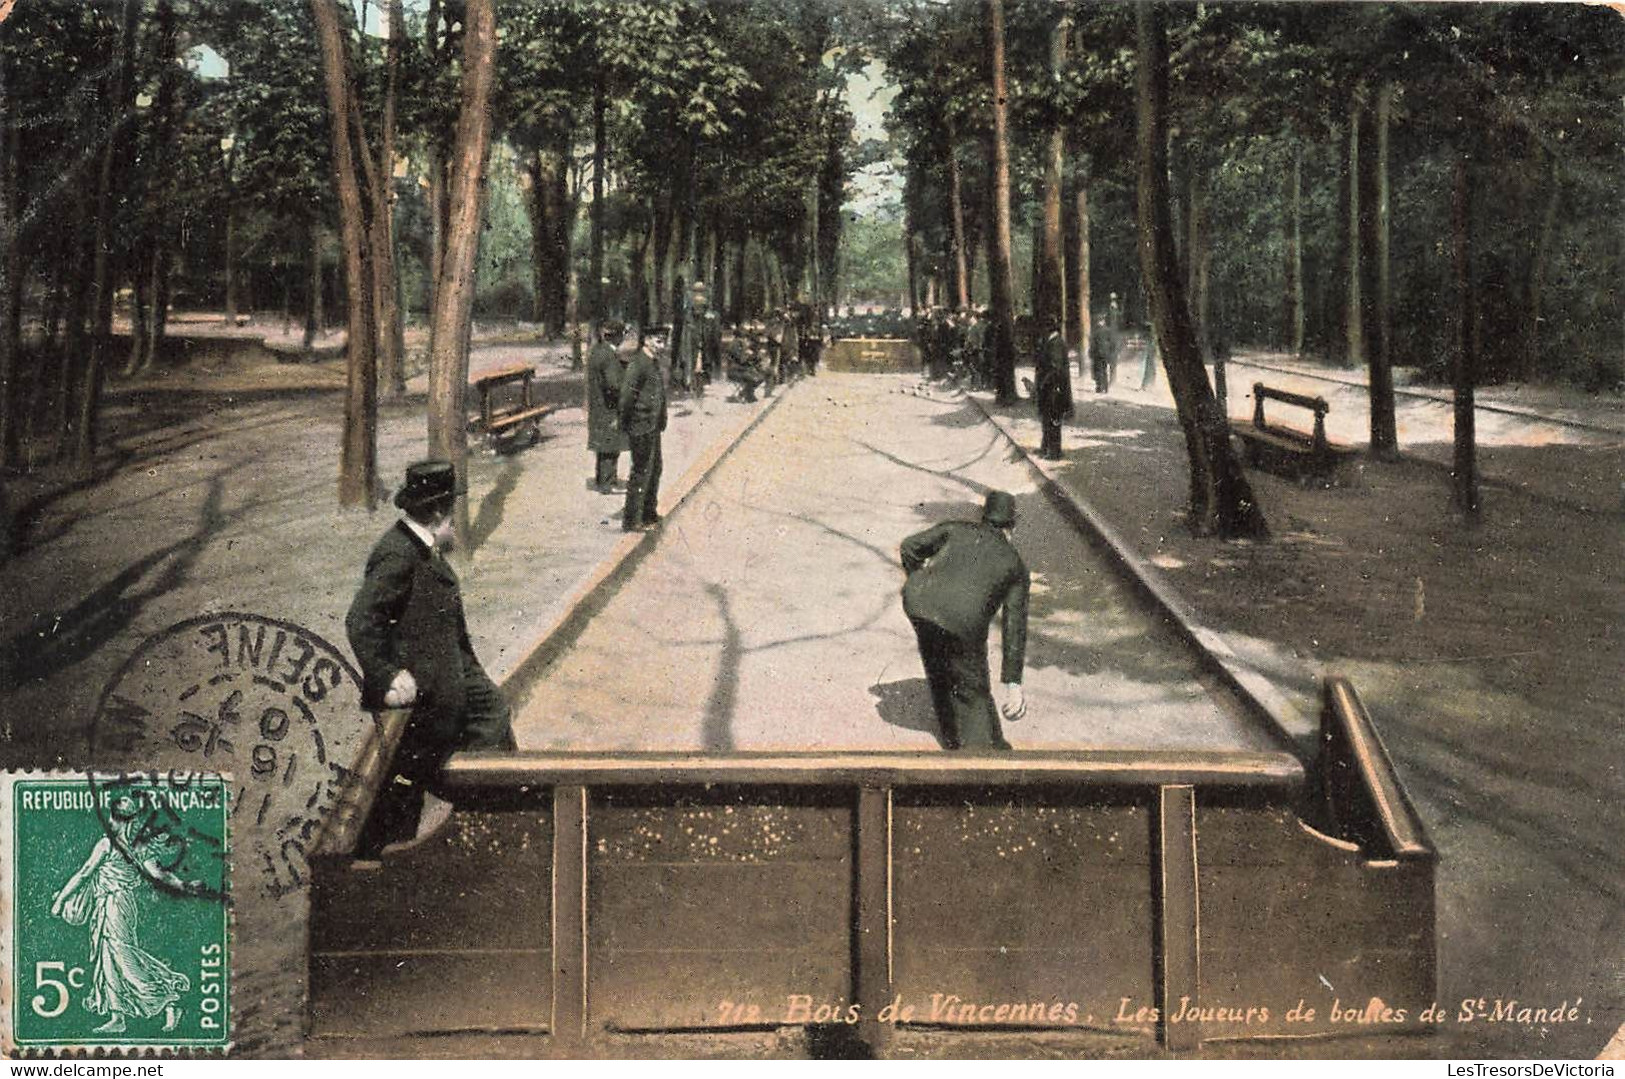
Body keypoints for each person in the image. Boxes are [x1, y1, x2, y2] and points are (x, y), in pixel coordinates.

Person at [346, 460, 514, 859]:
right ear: (438, 513)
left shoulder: (422, 548)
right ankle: (371, 870)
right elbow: (360, 620)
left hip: (449, 680)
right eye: (451, 511)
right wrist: (387, 676)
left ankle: (497, 820)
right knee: (398, 795)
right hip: (423, 695)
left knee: (493, 720)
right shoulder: (399, 554)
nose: (455, 520)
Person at [51, 793, 203, 1033]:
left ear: (113, 817)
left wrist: (61, 899)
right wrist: (183, 886)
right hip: (114, 905)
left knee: (123, 957)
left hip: (115, 905)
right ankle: (118, 1017)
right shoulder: (138, 846)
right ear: (131, 819)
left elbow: (84, 874)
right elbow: (160, 874)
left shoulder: (107, 844)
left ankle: (168, 1000)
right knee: (109, 958)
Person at [899, 490, 1030, 751]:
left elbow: (909, 546)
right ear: (1011, 526)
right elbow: (1013, 626)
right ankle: (980, 756)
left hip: (918, 604)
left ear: (983, 517)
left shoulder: (955, 528)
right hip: (963, 622)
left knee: (938, 668)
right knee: (973, 690)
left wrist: (921, 581)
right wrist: (1013, 683)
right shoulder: (1015, 565)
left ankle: (952, 738)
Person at [619, 335, 667, 532]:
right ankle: (632, 520)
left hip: (653, 425)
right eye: (658, 341)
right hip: (641, 424)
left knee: (655, 469)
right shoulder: (638, 364)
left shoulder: (653, 362)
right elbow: (626, 397)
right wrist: (627, 423)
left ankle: (648, 513)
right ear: (647, 340)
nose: (661, 346)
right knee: (641, 471)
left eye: (664, 342)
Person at [587, 320, 628, 492]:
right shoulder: (609, 356)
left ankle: (603, 479)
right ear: (618, 336)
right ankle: (607, 483)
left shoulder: (597, 351)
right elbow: (614, 384)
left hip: (598, 404)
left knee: (604, 445)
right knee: (610, 445)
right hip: (608, 406)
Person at [1035, 319, 1070, 459]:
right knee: (1047, 419)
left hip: (1054, 390)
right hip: (1050, 389)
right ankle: (1046, 447)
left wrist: (1043, 383)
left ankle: (1054, 452)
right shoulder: (1052, 342)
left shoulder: (1055, 344)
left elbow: (1055, 368)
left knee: (1052, 420)